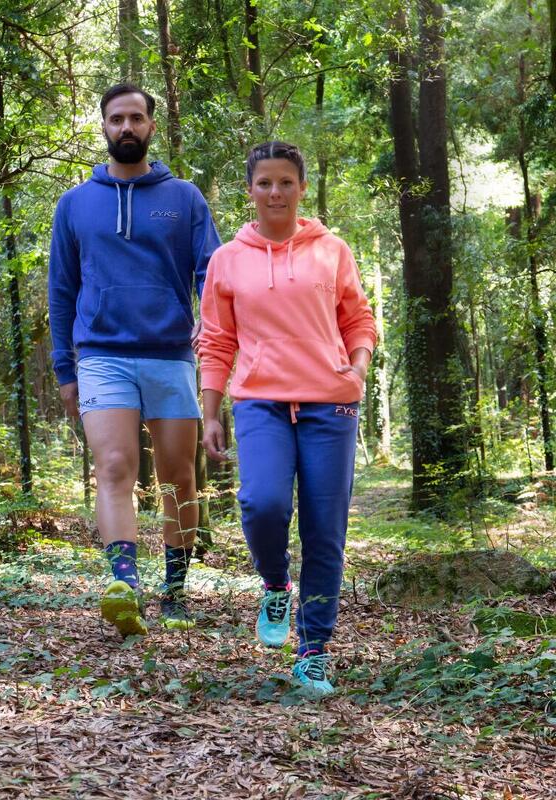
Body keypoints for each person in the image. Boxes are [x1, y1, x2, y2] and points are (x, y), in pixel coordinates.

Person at [199, 141, 375, 697]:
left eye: (285, 182)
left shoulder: (333, 251)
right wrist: (210, 411)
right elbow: (216, 339)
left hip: (331, 402)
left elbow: (359, 318)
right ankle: (276, 583)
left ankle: (313, 652)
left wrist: (358, 366)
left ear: (301, 187)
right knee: (262, 502)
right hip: (260, 402)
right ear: (250, 191)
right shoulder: (228, 259)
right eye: (264, 183)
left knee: (326, 531)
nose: (275, 192)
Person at [48, 83, 220, 637]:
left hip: (171, 355)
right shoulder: (75, 204)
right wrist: (64, 368)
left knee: (178, 478)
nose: (127, 127)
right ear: (103, 126)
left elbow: (211, 274)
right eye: (117, 118)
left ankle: (175, 591)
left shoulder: (186, 198)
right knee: (115, 467)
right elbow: (62, 289)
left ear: (151, 126)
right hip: (102, 356)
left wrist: (210, 326)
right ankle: (125, 587)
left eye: (136, 118)